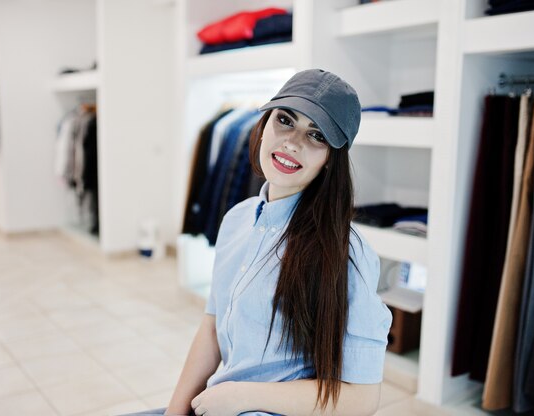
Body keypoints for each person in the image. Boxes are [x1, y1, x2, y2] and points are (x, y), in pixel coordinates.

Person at [125, 69, 392, 416]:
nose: (293, 142)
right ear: (263, 125)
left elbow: (362, 398)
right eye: (285, 120)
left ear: (330, 162)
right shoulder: (237, 219)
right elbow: (211, 327)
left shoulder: (347, 253)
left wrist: (242, 396)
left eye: (316, 135)